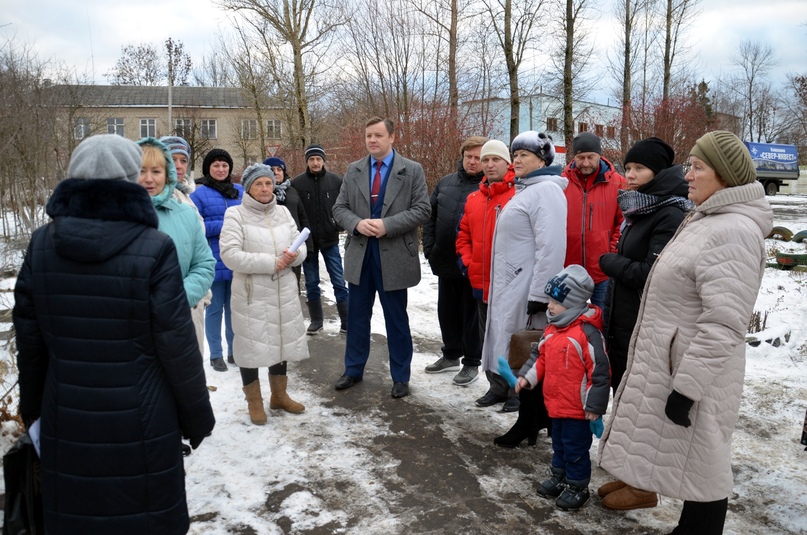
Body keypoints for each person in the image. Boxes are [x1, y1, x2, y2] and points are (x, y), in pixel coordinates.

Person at [13, 134, 215, 534]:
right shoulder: (153, 247)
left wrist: (34, 410)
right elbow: (176, 344)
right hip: (144, 416)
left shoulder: (41, 245)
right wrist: (196, 418)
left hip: (67, 413)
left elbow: (30, 343)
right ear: (130, 178)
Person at [599, 131, 773, 535]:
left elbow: (724, 322)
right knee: (690, 457)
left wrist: (687, 387)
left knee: (704, 460)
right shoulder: (707, 218)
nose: (687, 175)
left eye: (696, 167)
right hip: (676, 361)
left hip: (696, 371)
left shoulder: (733, 231)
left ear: (724, 175)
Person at [332, 117, 431, 399]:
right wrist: (356, 223)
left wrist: (388, 225)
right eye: (368, 136)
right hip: (361, 255)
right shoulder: (354, 170)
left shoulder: (411, 170)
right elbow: (339, 208)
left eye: (378, 135)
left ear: (392, 137)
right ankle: (353, 369)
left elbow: (423, 209)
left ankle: (400, 377)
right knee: (357, 318)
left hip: (394, 256)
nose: (372, 140)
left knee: (396, 320)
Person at [479, 131, 567, 415]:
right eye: (515, 154)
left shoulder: (547, 190)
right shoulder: (526, 189)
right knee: (505, 336)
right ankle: (505, 388)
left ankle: (523, 401)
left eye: (524, 155)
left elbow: (551, 245)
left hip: (527, 283)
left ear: (542, 160)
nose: (516, 160)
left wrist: (541, 294)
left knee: (521, 341)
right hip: (510, 282)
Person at [600, 137, 692, 395]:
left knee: (636, 392)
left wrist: (610, 262)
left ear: (658, 172)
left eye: (639, 168)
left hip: (645, 321)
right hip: (624, 317)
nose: (630, 174)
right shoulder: (640, 207)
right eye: (628, 167)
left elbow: (651, 273)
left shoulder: (669, 213)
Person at [220, 163, 309, 425]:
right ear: (248, 188)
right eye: (258, 184)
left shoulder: (283, 212)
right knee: (251, 345)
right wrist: (273, 262)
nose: (264, 188)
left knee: (280, 340)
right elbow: (230, 255)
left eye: (268, 183)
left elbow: (300, 246)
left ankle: (279, 395)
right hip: (252, 293)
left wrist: (294, 256)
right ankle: (254, 401)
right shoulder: (235, 214)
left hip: (283, 289)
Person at [518, 264, 610, 511]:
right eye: (549, 300)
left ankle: (578, 487)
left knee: (575, 448)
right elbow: (540, 358)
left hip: (578, 409)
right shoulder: (552, 330)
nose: (549, 306)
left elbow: (599, 373)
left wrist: (594, 406)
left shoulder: (587, 334)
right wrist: (527, 377)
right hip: (556, 404)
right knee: (558, 444)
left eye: (555, 302)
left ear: (572, 303)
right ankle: (559, 477)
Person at [136, 137, 215, 350]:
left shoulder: (186, 213)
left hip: (181, 317)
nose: (149, 179)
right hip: (132, 326)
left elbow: (204, 264)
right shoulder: (114, 215)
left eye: (156, 171)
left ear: (166, 174)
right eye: (141, 171)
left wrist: (178, 298)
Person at [422, 135, 488, 386]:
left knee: (471, 316)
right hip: (445, 260)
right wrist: (430, 248)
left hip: (473, 265)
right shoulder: (445, 182)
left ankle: (471, 362)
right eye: (468, 156)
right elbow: (430, 217)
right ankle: (450, 355)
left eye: (478, 158)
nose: (472, 161)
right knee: (447, 312)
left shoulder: (488, 186)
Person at [456, 139, 516, 340]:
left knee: (510, 345)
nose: (490, 165)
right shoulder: (473, 199)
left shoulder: (520, 195)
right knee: (486, 343)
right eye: (486, 160)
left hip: (511, 288)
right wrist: (468, 264)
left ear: (507, 162)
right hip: (481, 285)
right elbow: (462, 236)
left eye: (496, 159)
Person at [191, 148, 243, 372]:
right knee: (214, 309)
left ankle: (233, 351)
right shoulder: (199, 195)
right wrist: (225, 226)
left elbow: (249, 218)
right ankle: (215, 354)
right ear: (208, 169)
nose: (221, 169)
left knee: (234, 309)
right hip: (213, 259)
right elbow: (196, 226)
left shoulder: (240, 191)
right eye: (216, 165)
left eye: (224, 165)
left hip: (238, 259)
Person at [562, 132, 625, 308]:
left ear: (599, 155)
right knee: (568, 319)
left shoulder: (618, 183)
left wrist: (611, 252)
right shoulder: (561, 183)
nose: (586, 163)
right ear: (573, 157)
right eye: (580, 158)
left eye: (591, 157)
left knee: (602, 317)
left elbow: (623, 222)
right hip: (569, 270)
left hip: (602, 270)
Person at [160, 135, 211, 352]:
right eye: (172, 159)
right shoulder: (157, 199)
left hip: (191, 301)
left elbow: (200, 256)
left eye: (183, 160)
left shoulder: (185, 196)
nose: (179, 166)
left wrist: (199, 293)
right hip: (167, 305)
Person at [292, 144, 349, 334]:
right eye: (311, 159)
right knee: (311, 282)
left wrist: (338, 225)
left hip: (330, 238)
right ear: (307, 161)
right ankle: (316, 320)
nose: (315, 163)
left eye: (318, 159)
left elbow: (344, 205)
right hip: (308, 241)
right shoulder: (297, 183)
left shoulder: (336, 181)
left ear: (323, 160)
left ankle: (346, 321)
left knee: (338, 280)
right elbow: (294, 210)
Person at [265, 156, 311, 291]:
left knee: (293, 286)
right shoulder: (263, 194)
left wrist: (309, 245)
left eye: (279, 169)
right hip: (270, 247)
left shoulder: (292, 191)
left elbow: (303, 218)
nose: (276, 172)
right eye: (272, 170)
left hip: (292, 246)